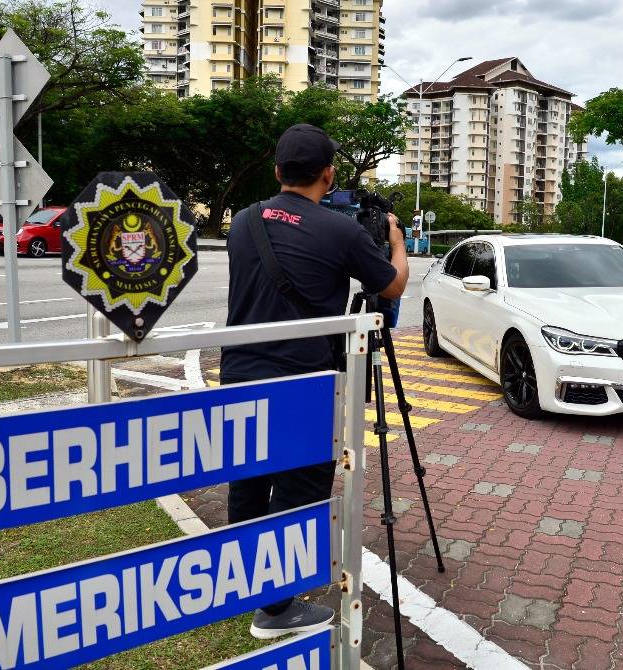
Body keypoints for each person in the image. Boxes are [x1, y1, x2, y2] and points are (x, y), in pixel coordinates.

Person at [221, 124, 409, 639]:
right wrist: (394, 240)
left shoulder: (242, 223)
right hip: (304, 381)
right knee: (300, 491)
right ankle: (276, 611)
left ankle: (250, 582)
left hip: (239, 372)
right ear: (328, 174)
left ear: (277, 171)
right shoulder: (341, 230)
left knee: (250, 481)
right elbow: (391, 284)